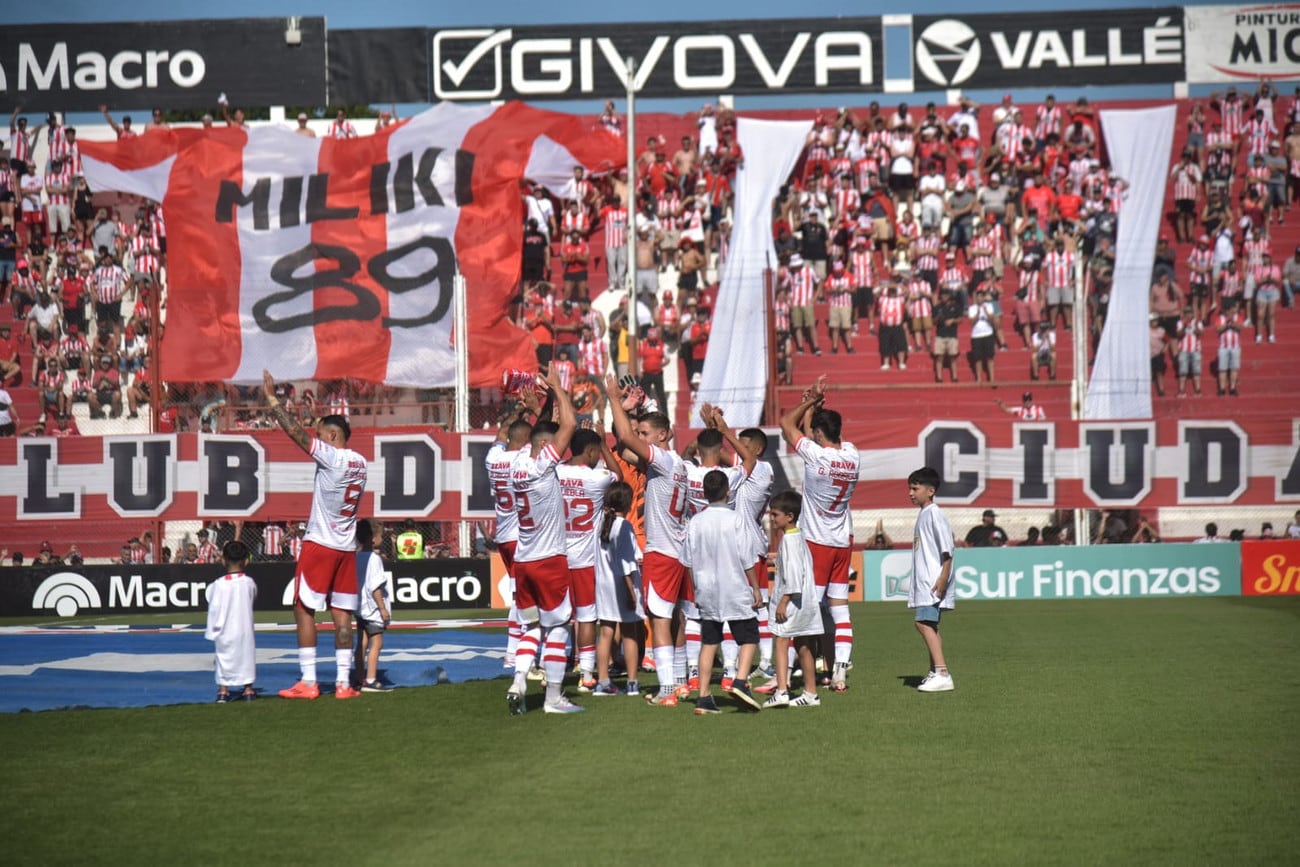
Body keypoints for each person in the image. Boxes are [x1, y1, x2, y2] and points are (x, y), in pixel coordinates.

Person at [263, 370, 368, 701]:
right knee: (342, 616)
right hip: (345, 548)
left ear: (333, 437)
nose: (316, 439)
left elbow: (296, 434)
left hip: (320, 544)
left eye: (321, 435)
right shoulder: (360, 462)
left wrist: (272, 401)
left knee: (303, 608)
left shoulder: (333, 457)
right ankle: (343, 684)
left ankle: (308, 681)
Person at [605, 372, 691, 707]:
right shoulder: (679, 464)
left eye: (646, 434)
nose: (640, 437)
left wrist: (613, 398)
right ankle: (681, 681)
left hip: (661, 552)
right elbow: (622, 448)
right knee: (674, 617)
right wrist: (624, 420)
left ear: (664, 434)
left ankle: (667, 688)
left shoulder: (663, 461)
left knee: (659, 619)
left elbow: (625, 436)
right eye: (640, 433)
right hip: (678, 551)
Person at [505, 367, 582, 715]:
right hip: (549, 559)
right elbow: (569, 427)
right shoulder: (541, 467)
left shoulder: (517, 462)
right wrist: (559, 390)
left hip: (523, 559)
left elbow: (542, 433)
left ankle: (519, 680)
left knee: (530, 626)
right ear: (546, 449)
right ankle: (553, 697)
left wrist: (542, 404)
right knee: (560, 627)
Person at [780, 375, 859, 692]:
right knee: (839, 608)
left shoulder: (817, 456)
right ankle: (838, 671)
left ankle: (784, 673)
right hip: (843, 541)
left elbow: (787, 423)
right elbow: (820, 433)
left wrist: (809, 402)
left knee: (804, 607)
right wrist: (819, 406)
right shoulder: (852, 454)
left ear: (818, 435)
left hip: (817, 542)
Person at [682, 470, 764, 715]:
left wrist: (696, 588)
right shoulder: (735, 519)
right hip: (735, 587)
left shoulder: (696, 521)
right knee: (749, 637)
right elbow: (746, 556)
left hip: (707, 588)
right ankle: (740, 681)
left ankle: (704, 696)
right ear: (728, 492)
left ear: (704, 494)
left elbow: (688, 561)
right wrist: (756, 587)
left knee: (709, 642)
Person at [557, 426, 621, 692]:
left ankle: (555, 672)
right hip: (584, 558)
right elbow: (618, 474)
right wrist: (606, 445)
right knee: (586, 617)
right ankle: (586, 675)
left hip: (557, 555)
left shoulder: (555, 472)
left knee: (557, 618)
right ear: (592, 452)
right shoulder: (599, 479)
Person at [757, 490, 823, 708]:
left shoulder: (789, 541)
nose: (772, 519)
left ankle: (782, 690)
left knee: (782, 642)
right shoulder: (798, 537)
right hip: (804, 602)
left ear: (790, 516)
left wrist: (783, 601)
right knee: (804, 645)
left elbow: (793, 577)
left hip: (792, 602)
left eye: (775, 514)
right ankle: (811, 693)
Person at [487, 399, 535, 670]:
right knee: (523, 596)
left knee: (520, 594)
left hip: (503, 534)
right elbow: (543, 435)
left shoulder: (493, 459)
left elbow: (501, 435)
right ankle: (514, 652)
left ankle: (514, 650)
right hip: (521, 537)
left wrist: (516, 412)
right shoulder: (523, 460)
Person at [591, 482, 644, 696]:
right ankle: (632, 682)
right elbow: (626, 564)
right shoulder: (624, 526)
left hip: (603, 584)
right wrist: (632, 592)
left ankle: (602, 681)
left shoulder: (601, 524)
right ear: (628, 503)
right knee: (630, 633)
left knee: (605, 633)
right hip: (621, 585)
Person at [907, 467, 956, 693]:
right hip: (926, 580)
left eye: (915, 488)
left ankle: (943, 672)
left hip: (932, 580)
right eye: (910, 488)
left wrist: (944, 575)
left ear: (931, 491)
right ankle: (935, 672)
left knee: (922, 623)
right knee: (931, 626)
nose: (911, 493)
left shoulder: (935, 513)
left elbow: (947, 547)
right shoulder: (924, 513)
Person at [204, 541, 258, 703]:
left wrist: (212, 630)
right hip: (244, 628)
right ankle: (248, 689)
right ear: (246, 561)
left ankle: (223, 691)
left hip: (224, 629)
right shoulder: (249, 582)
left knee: (223, 658)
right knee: (246, 656)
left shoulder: (219, 585)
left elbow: (214, 608)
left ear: (223, 560)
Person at [353, 518, 392, 693]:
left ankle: (359, 678)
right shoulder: (374, 559)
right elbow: (375, 586)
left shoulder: (354, 558)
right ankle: (371, 679)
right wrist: (382, 608)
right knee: (377, 643)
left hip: (359, 607)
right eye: (381, 536)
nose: (382, 539)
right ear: (372, 538)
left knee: (361, 643)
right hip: (373, 608)